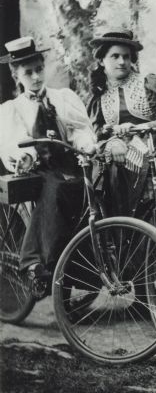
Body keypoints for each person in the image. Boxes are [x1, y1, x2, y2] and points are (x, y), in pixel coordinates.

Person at [0, 37, 96, 294]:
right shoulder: (14, 109)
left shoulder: (63, 98)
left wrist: (86, 145)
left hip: (72, 165)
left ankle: (86, 272)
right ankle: (33, 263)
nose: (35, 77)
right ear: (16, 75)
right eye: (27, 72)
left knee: (94, 194)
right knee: (53, 191)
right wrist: (24, 157)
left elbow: (80, 129)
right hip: (40, 170)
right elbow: (15, 143)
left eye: (38, 70)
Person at [87, 29, 156, 218]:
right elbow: (96, 132)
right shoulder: (98, 94)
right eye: (115, 56)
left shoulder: (146, 83)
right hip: (117, 156)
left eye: (126, 57)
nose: (122, 62)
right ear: (101, 60)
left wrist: (142, 127)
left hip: (153, 152)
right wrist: (113, 141)